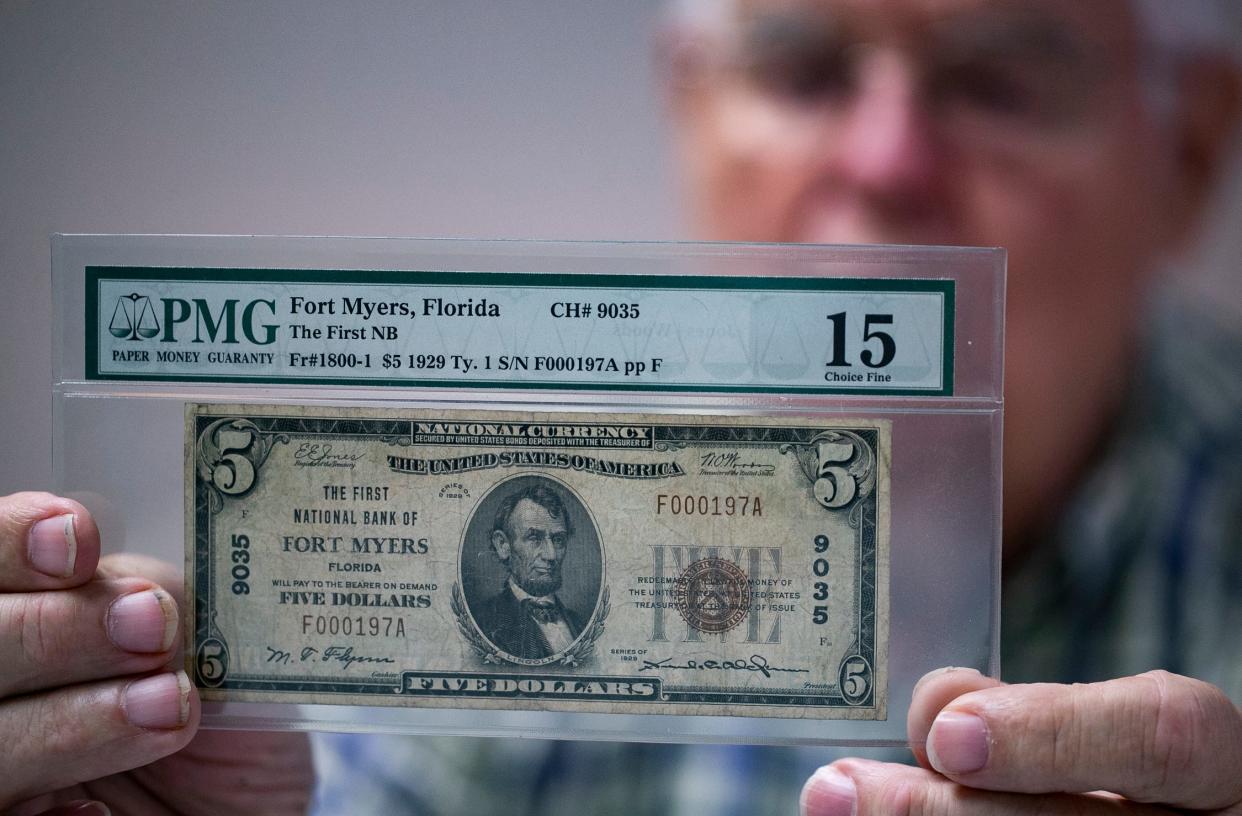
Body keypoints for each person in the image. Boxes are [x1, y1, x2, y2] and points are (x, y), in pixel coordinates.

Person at [2, 0, 1240, 814]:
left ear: (1188, 154)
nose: (885, 160)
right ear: (688, 108)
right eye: (802, 69)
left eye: (1004, 81)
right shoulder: (515, 504)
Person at [469, 483, 587, 660]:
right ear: (503, 545)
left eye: (558, 540)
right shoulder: (481, 621)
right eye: (534, 538)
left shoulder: (581, 624)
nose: (551, 555)